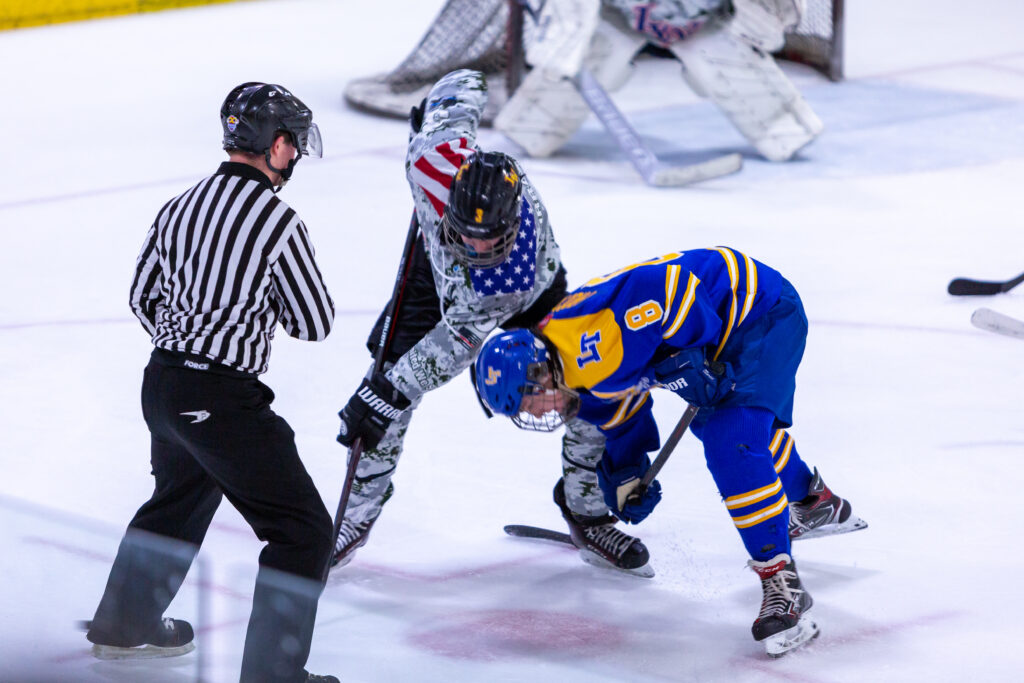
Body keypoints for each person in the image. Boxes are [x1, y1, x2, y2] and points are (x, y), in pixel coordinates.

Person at [331, 68, 653, 577]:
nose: (478, 248)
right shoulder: (432, 160)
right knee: (382, 397)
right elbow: (465, 83)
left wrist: (388, 392)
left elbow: (458, 341)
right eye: (468, 235)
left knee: (581, 380)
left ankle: (586, 511)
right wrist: (442, 103)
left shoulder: (510, 272)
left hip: (531, 295)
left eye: (491, 239)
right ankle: (354, 516)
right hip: (432, 273)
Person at [473, 247, 866, 657]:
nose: (539, 412)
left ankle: (781, 583)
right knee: (732, 431)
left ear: (539, 369)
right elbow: (624, 416)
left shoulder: (585, 335)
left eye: (531, 399)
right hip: (727, 331)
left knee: (731, 439)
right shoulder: (572, 381)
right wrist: (626, 475)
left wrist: (693, 352)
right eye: (525, 412)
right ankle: (813, 501)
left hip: (759, 310)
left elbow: (668, 287)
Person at [85, 82, 340, 683]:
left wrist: (187, 342)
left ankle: (124, 626)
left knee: (179, 498)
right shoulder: (278, 221)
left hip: (162, 384)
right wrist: (226, 338)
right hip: (221, 398)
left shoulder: (179, 206)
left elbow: (143, 296)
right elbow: (314, 322)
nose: (296, 155)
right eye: (293, 144)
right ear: (274, 144)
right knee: (302, 532)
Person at [495, 0, 823, 162]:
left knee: (783, 132)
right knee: (537, 125)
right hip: (619, 16)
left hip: (704, 23)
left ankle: (782, 124)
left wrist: (764, 21)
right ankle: (533, 125)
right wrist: (561, 33)